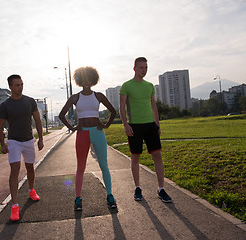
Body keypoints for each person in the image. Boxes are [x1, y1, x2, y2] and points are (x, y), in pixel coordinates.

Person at [59, 66, 117, 211]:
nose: (86, 81)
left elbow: (113, 111)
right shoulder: (75, 97)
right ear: (78, 80)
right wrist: (72, 128)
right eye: (82, 79)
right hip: (82, 133)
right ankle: (78, 198)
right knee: (81, 167)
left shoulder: (98, 96)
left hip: (97, 133)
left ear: (93, 80)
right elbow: (61, 115)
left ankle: (110, 195)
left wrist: (105, 125)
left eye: (88, 79)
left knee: (104, 165)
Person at [119, 57, 172, 203]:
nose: (144, 70)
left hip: (150, 126)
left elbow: (154, 107)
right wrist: (126, 124)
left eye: (146, 68)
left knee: (157, 156)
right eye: (141, 67)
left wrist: (158, 125)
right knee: (135, 158)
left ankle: (161, 189)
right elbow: (122, 107)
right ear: (134, 68)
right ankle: (137, 187)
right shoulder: (126, 86)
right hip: (134, 126)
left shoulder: (149, 86)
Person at [0, 74, 44, 221]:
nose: (20, 87)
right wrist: (2, 144)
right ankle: (15, 206)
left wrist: (41, 139)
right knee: (15, 169)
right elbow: (0, 127)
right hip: (13, 142)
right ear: (10, 87)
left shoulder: (30, 101)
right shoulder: (5, 105)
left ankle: (31, 190)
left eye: (22, 84)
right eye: (17, 85)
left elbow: (37, 120)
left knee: (30, 168)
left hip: (29, 140)